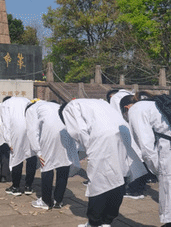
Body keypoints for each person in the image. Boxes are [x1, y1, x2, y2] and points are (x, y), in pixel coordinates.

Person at [59, 98, 147, 227]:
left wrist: (89, 147)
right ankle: (107, 220)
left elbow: (78, 131)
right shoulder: (98, 102)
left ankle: (94, 222)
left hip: (102, 137)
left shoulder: (68, 108)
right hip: (122, 132)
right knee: (118, 176)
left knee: (98, 182)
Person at [122, 95, 171, 227]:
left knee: (168, 191)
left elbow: (145, 145)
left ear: (126, 109)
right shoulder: (152, 104)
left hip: (168, 149)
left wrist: (157, 170)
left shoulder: (135, 110)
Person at [25, 100, 79, 210]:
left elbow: (32, 130)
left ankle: (46, 201)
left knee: (46, 165)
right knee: (63, 165)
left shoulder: (31, 109)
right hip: (66, 132)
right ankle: (58, 200)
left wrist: (37, 151)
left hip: (50, 135)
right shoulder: (53, 105)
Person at [0, 96, 38, 196]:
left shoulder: (5, 104)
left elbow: (6, 123)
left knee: (17, 158)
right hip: (30, 128)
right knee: (31, 157)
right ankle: (28, 186)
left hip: (16, 130)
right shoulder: (27, 100)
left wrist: (9, 142)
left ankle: (15, 186)